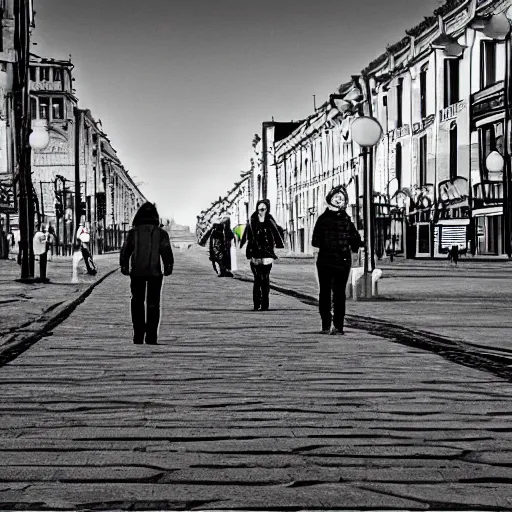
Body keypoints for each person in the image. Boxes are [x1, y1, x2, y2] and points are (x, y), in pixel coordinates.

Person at [120, 202, 174, 345]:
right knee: (153, 304)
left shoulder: (134, 233)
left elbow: (126, 250)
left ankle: (138, 335)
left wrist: (124, 265)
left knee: (137, 302)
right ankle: (151, 336)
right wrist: (168, 266)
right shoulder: (161, 233)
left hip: (137, 272)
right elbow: (166, 251)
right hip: (155, 273)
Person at [311, 185, 363, 335]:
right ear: (330, 199)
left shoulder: (346, 219)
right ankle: (326, 324)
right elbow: (315, 241)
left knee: (340, 293)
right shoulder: (322, 219)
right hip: (326, 260)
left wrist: (358, 243)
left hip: (343, 260)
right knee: (325, 292)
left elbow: (355, 239)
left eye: (342, 198)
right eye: (336, 197)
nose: (339, 199)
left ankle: (339, 325)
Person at [240, 199, 284, 311]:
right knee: (257, 278)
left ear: (267, 209)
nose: (262, 211)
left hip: (267, 253)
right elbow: (247, 235)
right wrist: (245, 248)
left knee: (265, 278)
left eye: (264, 209)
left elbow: (277, 233)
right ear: (257, 209)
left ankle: (265, 303)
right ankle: (256, 303)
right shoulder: (252, 220)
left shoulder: (270, 220)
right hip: (255, 252)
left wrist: (278, 247)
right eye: (260, 209)